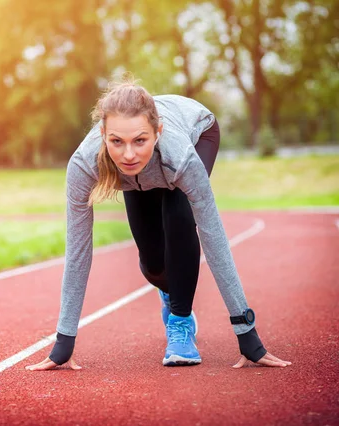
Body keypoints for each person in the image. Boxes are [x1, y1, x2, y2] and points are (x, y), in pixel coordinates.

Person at [26, 77, 291, 370]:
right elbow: (77, 251)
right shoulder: (83, 165)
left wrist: (246, 333)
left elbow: (213, 236)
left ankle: (180, 323)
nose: (128, 155)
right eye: (116, 141)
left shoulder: (181, 157)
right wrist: (64, 341)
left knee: (179, 215)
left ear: (157, 132)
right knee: (153, 264)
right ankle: (169, 291)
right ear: (103, 134)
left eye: (140, 140)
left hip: (196, 131)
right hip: (148, 165)